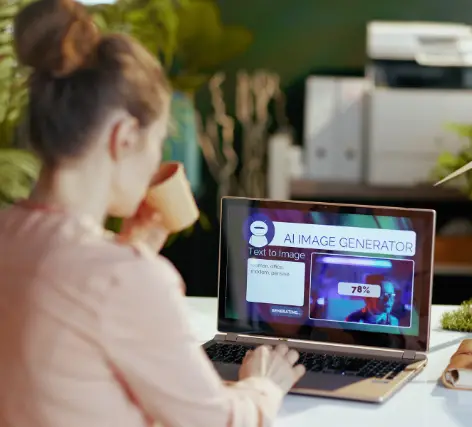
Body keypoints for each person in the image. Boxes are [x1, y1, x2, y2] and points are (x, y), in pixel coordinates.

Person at [0, 0, 305, 426]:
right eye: (158, 141)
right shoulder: (123, 278)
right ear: (124, 138)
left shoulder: (12, 234)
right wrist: (265, 384)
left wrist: (132, 248)